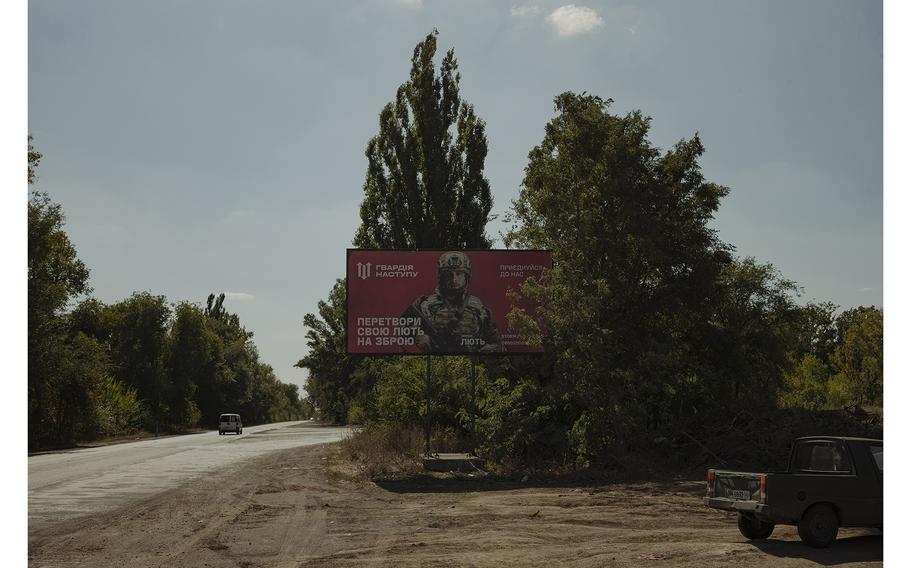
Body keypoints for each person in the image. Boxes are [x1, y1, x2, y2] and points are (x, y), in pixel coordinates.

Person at [402, 251, 500, 353]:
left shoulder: (478, 307)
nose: (454, 279)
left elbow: (494, 342)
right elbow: (403, 324)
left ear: (467, 276)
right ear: (441, 277)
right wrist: (418, 334)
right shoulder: (425, 305)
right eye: (448, 274)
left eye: (459, 274)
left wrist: (479, 356)